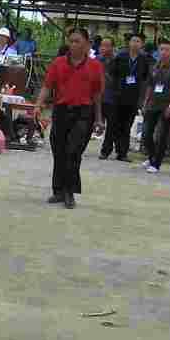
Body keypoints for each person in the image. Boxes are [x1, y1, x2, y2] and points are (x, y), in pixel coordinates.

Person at [34, 28, 104, 209]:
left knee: (73, 152)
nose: (73, 45)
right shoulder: (58, 63)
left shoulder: (95, 67)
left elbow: (97, 95)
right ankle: (58, 190)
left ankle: (69, 192)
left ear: (87, 44)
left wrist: (98, 118)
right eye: (71, 41)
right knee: (59, 151)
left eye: (77, 41)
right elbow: (47, 86)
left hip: (84, 113)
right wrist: (38, 105)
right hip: (61, 111)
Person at [105, 33, 150, 162]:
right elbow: (110, 73)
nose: (135, 44)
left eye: (138, 41)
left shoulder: (143, 60)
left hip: (133, 98)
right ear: (129, 43)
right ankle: (105, 150)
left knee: (126, 127)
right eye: (133, 41)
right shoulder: (120, 57)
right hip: (118, 96)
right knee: (112, 125)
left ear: (141, 45)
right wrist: (115, 88)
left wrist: (141, 98)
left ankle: (122, 153)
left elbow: (145, 78)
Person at [140, 39, 170, 174]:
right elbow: (150, 86)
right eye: (162, 49)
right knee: (146, 134)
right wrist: (145, 102)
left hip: (166, 106)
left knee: (161, 136)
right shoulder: (154, 66)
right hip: (152, 104)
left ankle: (156, 164)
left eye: (167, 50)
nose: (164, 52)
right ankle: (151, 157)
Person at [97, 37, 118, 159]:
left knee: (111, 126)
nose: (103, 48)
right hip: (97, 97)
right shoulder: (97, 60)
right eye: (102, 45)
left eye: (107, 45)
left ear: (112, 47)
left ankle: (106, 150)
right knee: (91, 122)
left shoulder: (117, 60)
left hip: (112, 97)